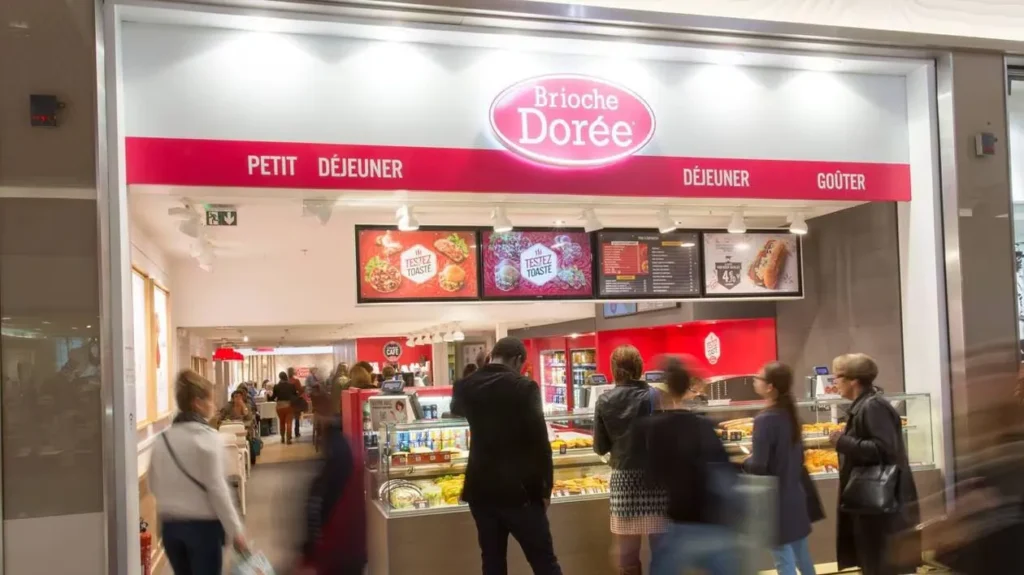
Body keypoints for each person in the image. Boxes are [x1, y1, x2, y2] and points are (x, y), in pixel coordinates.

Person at [451, 337, 562, 575]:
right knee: (544, 562)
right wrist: (545, 489)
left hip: (480, 490)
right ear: (518, 359)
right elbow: (540, 443)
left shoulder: (465, 386)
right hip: (520, 492)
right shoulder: (524, 387)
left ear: (492, 356)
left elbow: (455, 410)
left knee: (492, 561)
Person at [641, 356, 737, 575]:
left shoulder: (655, 428)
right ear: (689, 387)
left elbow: (652, 477)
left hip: (678, 527)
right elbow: (725, 469)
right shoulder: (704, 426)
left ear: (666, 388)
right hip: (714, 526)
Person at [828, 353, 920, 575]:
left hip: (880, 505)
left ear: (853, 380)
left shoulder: (872, 407)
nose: (835, 383)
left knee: (880, 564)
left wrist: (842, 441)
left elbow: (883, 449)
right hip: (875, 504)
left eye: (837, 377)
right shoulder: (867, 405)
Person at [149, 370, 247, 574]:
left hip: (171, 528)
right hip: (203, 529)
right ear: (197, 402)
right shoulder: (209, 439)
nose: (213, 405)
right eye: (210, 400)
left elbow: (153, 484)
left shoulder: (162, 440)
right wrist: (236, 531)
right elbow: (218, 490)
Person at [594, 345, 666, 575]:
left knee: (627, 557)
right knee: (662, 552)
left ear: (614, 369)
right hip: (655, 477)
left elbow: (600, 446)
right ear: (640, 367)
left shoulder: (604, 400)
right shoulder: (655, 395)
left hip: (624, 480)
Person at [744, 362, 820, 575]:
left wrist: (743, 461)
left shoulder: (765, 419)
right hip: (795, 495)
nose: (754, 380)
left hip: (774, 500)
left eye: (758, 378)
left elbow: (759, 465)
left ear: (770, 387)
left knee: (782, 560)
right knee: (802, 555)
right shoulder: (790, 414)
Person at [297, 416, 367, 575]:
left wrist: (309, 553)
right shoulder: (352, 457)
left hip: (334, 553)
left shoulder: (332, 464)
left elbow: (317, 507)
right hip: (353, 551)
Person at [271, 371, 299, 444]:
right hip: (289, 405)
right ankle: (288, 439)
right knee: (289, 423)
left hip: (279, 406)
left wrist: (268, 396)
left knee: (282, 422)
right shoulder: (291, 386)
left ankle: (282, 437)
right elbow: (295, 395)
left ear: (279, 377)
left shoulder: (276, 386)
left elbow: (273, 397)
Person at [289, 367, 309, 439]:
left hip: (288, 402)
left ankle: (289, 434)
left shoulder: (287, 381)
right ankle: (296, 432)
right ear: (293, 373)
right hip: (296, 401)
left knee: (289, 418)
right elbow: (300, 390)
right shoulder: (296, 381)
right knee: (297, 416)